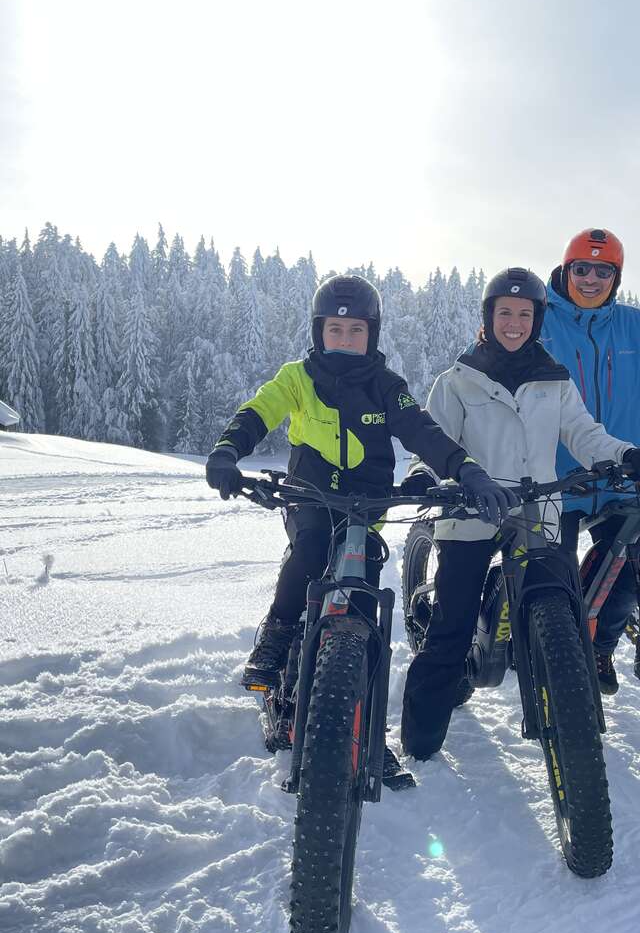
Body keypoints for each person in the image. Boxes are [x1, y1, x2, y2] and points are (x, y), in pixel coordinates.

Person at [206, 274, 517, 787]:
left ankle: (367, 735)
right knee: (309, 550)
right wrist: (227, 450)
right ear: (319, 331)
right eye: (335, 329)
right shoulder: (297, 377)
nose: (345, 339)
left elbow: (422, 431)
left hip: (366, 508)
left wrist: (466, 470)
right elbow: (259, 412)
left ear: (371, 334)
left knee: (364, 615)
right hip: (310, 499)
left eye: (356, 331)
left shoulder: (386, 385)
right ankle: (278, 635)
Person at [400, 267, 640, 761]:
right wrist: (425, 474)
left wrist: (624, 454)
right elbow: (434, 442)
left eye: (524, 314)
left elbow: (584, 435)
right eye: (504, 313)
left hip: (537, 511)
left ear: (537, 321)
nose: (514, 323)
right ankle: (419, 743)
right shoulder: (457, 381)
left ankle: (572, 729)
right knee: (452, 627)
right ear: (488, 318)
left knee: (561, 614)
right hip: (471, 510)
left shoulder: (554, 380)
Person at [541, 227, 640, 693]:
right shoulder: (537, 319)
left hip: (623, 473)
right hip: (555, 477)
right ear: (566, 270)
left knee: (629, 571)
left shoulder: (633, 325)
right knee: (551, 583)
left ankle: (599, 647)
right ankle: (546, 644)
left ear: (616, 278)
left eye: (604, 271)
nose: (591, 279)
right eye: (582, 268)